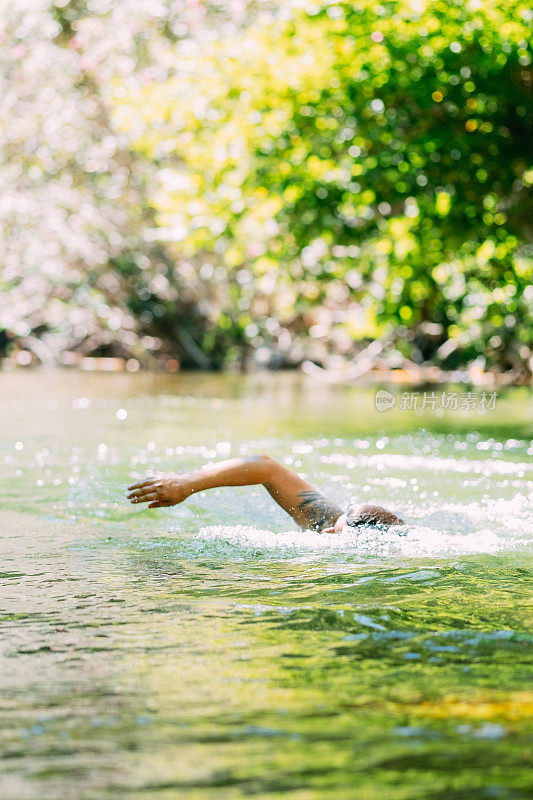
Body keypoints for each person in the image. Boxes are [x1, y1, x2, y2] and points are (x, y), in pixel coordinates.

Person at [127, 454, 403, 532]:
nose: (329, 531)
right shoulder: (328, 520)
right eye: (334, 525)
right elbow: (267, 467)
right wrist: (186, 483)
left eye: (336, 532)